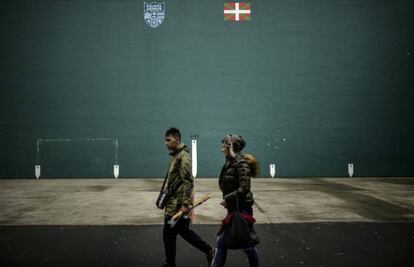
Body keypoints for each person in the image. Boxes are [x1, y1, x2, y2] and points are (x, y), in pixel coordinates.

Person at [161, 127, 215, 267]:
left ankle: (171, 264)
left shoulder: (183, 157)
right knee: (182, 232)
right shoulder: (176, 156)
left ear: (177, 139)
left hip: (177, 206)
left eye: (168, 140)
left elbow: (188, 182)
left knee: (169, 235)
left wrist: (185, 205)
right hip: (174, 203)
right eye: (165, 140)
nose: (165, 143)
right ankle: (209, 251)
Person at [215, 134, 260, 267]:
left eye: (225, 143)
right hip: (235, 207)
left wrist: (228, 199)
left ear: (231, 146)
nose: (222, 146)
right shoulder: (231, 161)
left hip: (242, 208)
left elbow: (244, 188)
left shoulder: (240, 163)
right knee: (224, 242)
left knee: (247, 245)